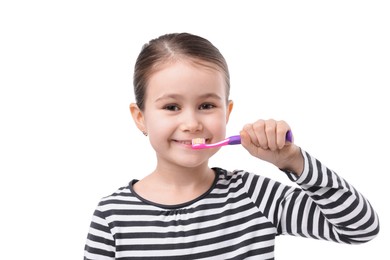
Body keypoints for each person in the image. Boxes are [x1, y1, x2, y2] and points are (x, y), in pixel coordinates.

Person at [84, 32, 380, 260]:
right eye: (172, 106)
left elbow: (360, 228)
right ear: (140, 118)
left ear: (227, 112)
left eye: (206, 105)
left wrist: (293, 161)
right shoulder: (112, 215)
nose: (192, 122)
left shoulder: (253, 195)